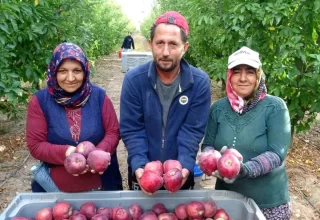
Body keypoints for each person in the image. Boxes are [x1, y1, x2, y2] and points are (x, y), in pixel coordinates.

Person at [120, 11, 211, 194]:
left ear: (185, 47)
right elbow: (132, 129)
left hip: (179, 173)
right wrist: (139, 164)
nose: (165, 52)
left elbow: (192, 131)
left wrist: (185, 165)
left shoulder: (199, 82)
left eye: (173, 44)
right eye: (160, 43)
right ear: (150, 44)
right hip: (144, 172)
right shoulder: (134, 80)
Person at [201, 46, 291, 219]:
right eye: (236, 72)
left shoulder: (275, 107)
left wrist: (245, 170)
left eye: (250, 72)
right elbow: (208, 144)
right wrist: (208, 158)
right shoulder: (218, 108)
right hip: (227, 200)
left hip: (267, 202)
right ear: (229, 76)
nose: (243, 78)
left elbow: (276, 153)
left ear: (258, 75)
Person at [26, 42, 123, 192]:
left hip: (102, 184)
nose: (70, 78)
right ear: (53, 72)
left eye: (77, 70)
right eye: (63, 71)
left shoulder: (98, 96)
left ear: (85, 71)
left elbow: (113, 132)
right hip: (56, 189)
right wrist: (68, 152)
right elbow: (36, 145)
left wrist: (96, 156)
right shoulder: (40, 101)